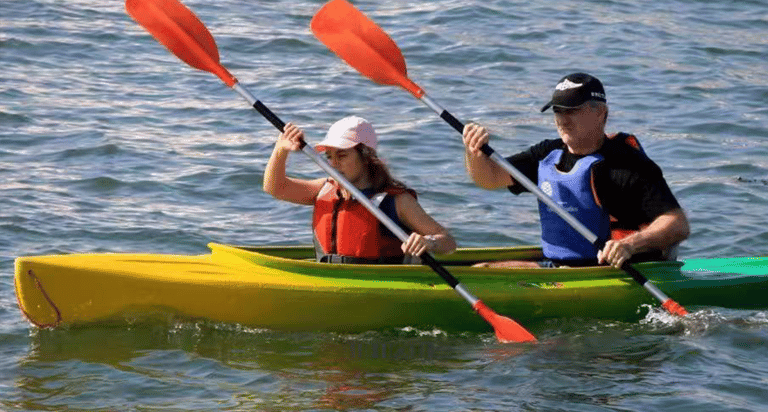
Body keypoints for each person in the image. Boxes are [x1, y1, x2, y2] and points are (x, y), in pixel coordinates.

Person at [462, 72, 689, 268]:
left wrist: (629, 245)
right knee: (482, 268)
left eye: (572, 110)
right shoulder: (547, 154)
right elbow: (489, 178)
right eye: (558, 110)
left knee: (484, 269)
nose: (562, 119)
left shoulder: (627, 165)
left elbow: (677, 224)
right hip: (562, 267)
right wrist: (474, 151)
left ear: (600, 113)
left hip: (621, 269)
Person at [264, 116, 457, 263]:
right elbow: (274, 187)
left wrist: (428, 242)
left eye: (342, 155)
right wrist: (280, 150)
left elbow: (448, 242)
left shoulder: (396, 201)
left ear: (365, 156)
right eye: (330, 157)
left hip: (378, 284)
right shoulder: (323, 188)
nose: (334, 164)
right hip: (329, 277)